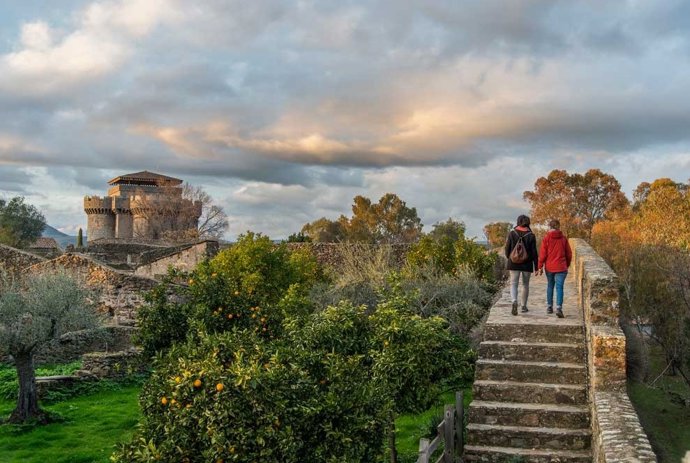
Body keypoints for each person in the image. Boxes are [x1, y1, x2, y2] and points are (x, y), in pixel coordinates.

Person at [537, 219, 573, 318]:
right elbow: (569, 254)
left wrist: (539, 266)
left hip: (549, 267)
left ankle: (549, 307)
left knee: (550, 286)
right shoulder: (563, 239)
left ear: (549, 227)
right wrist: (567, 264)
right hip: (561, 267)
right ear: (558, 226)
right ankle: (559, 308)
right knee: (559, 287)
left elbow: (543, 254)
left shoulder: (546, 238)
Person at [504, 215, 539, 316]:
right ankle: (523, 306)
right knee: (525, 285)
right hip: (527, 265)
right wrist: (536, 267)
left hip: (513, 263)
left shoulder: (512, 233)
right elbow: (534, 253)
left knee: (513, 283)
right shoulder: (531, 235)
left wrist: (510, 258)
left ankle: (514, 301)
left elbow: (507, 249)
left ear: (518, 221)